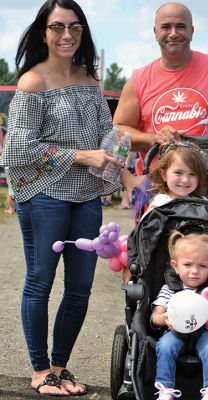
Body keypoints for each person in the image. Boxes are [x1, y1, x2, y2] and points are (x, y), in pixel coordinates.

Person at [0, 0, 121, 396]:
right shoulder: (32, 83)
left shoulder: (90, 79)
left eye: (74, 27)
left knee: (81, 286)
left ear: (83, 32)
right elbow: (16, 152)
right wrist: (81, 156)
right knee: (40, 281)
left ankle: (60, 367)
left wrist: (125, 167)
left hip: (86, 196)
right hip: (44, 195)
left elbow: (107, 135)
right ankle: (39, 371)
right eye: (56, 27)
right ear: (43, 32)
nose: (66, 35)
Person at [113, 2, 208, 176]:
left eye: (180, 26)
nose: (173, 33)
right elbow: (118, 130)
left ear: (192, 31)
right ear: (155, 32)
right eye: (166, 27)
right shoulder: (138, 80)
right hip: (158, 186)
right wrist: (154, 138)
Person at [152, 230, 208, 400]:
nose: (194, 271)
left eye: (202, 266)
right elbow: (155, 317)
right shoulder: (169, 290)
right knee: (165, 346)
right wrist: (163, 318)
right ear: (175, 266)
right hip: (176, 331)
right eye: (187, 265)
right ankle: (165, 388)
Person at [121, 139, 208, 282]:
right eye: (178, 173)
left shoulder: (204, 203)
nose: (185, 180)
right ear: (163, 174)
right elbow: (143, 237)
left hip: (199, 270)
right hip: (163, 271)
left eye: (192, 174)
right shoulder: (160, 203)